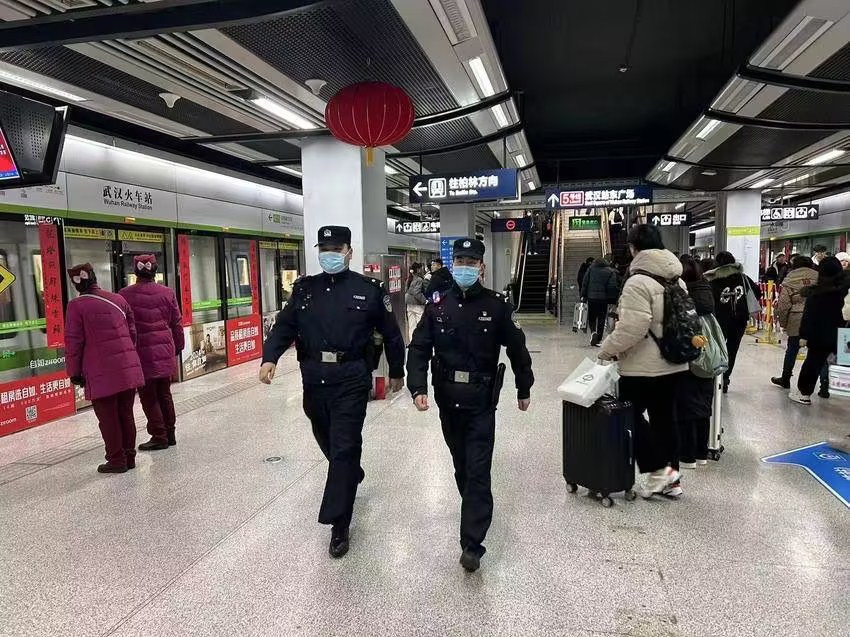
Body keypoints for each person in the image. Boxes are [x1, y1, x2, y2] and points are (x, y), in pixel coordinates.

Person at [260, 226, 405, 559]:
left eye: (336, 249)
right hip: (314, 378)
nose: (329, 254)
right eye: (324, 248)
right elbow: (284, 326)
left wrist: (397, 370)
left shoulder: (368, 290)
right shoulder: (305, 289)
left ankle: (339, 523)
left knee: (344, 446)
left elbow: (391, 333)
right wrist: (270, 357)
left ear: (348, 252)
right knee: (326, 437)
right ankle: (351, 472)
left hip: (351, 377)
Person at [407, 238, 533, 573]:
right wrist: (417, 386)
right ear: (453, 265)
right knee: (462, 466)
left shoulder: (497, 305)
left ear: (482, 267)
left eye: (471, 262)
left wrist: (524, 386)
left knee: (478, 469)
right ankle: (473, 508)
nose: (464, 267)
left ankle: (472, 544)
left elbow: (518, 349)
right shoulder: (438, 305)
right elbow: (419, 348)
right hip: (448, 400)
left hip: (481, 402)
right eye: (459, 261)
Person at [598, 224, 686, 497]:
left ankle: (660, 471)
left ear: (633, 248)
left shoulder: (637, 282)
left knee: (628, 418)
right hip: (675, 361)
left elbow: (632, 327)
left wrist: (607, 349)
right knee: (665, 420)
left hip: (642, 367)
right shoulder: (676, 278)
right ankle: (671, 480)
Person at [64, 263, 145, 474]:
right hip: (127, 367)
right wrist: (126, 356)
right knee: (126, 413)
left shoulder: (76, 306)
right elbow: (132, 333)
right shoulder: (118, 299)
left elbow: (74, 342)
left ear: (76, 284)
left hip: (100, 370)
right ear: (94, 277)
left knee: (108, 418)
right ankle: (129, 457)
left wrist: (74, 372)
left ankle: (116, 459)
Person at [119, 254, 185, 450]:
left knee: (148, 395)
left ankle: (159, 435)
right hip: (165, 349)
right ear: (155, 270)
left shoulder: (124, 294)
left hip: (141, 352)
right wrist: (178, 346)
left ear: (135, 271)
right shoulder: (167, 293)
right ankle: (170, 433)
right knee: (164, 393)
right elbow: (176, 323)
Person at [672, 256, 716, 492]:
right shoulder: (707, 293)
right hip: (708, 358)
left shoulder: (683, 298)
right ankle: (701, 452)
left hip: (689, 358)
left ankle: (687, 455)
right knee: (703, 404)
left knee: (685, 406)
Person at [790, 256, 850, 405]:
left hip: (820, 336)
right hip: (843, 334)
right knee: (838, 363)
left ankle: (804, 394)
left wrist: (804, 335)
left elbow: (809, 317)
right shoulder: (845, 291)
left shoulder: (817, 293)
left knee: (813, 364)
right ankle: (829, 389)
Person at [703, 251, 761, 393]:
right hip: (739, 320)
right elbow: (757, 292)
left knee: (716, 349)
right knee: (732, 350)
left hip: (719, 320)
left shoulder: (712, 279)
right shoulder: (743, 277)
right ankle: (725, 379)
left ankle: (714, 378)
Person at [771, 256, 818, 390]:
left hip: (796, 319)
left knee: (792, 350)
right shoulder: (819, 277)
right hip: (816, 318)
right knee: (817, 352)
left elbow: (783, 306)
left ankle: (785, 379)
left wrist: (784, 323)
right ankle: (823, 386)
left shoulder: (790, 280)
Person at [581, 257, 620, 347]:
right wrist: (612, 299)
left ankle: (593, 332)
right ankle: (598, 338)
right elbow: (612, 286)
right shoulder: (610, 271)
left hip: (591, 297)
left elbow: (585, 283)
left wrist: (583, 295)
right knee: (601, 318)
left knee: (592, 317)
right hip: (603, 299)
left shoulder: (591, 269)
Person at [405, 262, 427, 341]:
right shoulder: (419, 279)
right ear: (418, 269)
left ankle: (412, 342)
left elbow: (406, 291)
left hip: (409, 304)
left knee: (412, 326)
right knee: (420, 325)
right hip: (417, 305)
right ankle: (419, 343)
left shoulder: (408, 279)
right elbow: (417, 293)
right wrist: (425, 301)